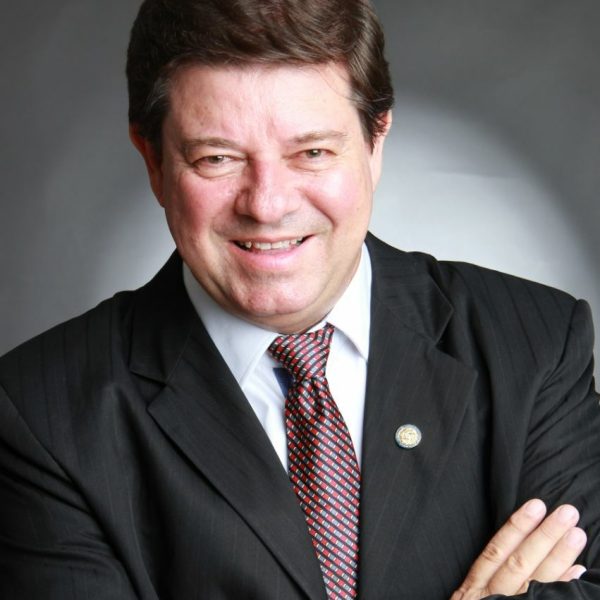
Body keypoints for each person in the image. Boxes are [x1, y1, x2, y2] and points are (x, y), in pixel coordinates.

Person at [1, 0, 599, 598]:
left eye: (311, 152)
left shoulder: (535, 342)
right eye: (217, 158)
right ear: (154, 161)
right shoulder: (40, 416)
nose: (267, 205)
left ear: (375, 143)